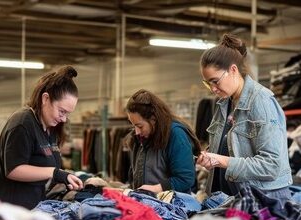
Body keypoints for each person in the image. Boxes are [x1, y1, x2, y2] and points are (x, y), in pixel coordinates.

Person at [196, 34, 292, 202]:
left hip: (264, 201)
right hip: (231, 198)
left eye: (215, 81)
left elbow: (272, 165)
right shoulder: (223, 104)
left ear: (233, 70)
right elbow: (231, 148)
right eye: (207, 83)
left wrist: (224, 161)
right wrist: (211, 157)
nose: (212, 89)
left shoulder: (261, 101)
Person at [0, 65, 83, 209]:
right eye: (61, 111)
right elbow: (13, 170)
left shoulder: (50, 127)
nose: (64, 119)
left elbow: (42, 165)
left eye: (67, 114)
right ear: (45, 99)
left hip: (29, 205)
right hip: (5, 207)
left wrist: (63, 178)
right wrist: (54, 173)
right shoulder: (22, 124)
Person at [125, 89, 201, 194]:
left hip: (171, 206)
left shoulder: (176, 135)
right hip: (145, 203)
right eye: (134, 126)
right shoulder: (139, 138)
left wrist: (157, 188)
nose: (136, 132)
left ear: (153, 119)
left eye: (140, 126)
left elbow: (185, 178)